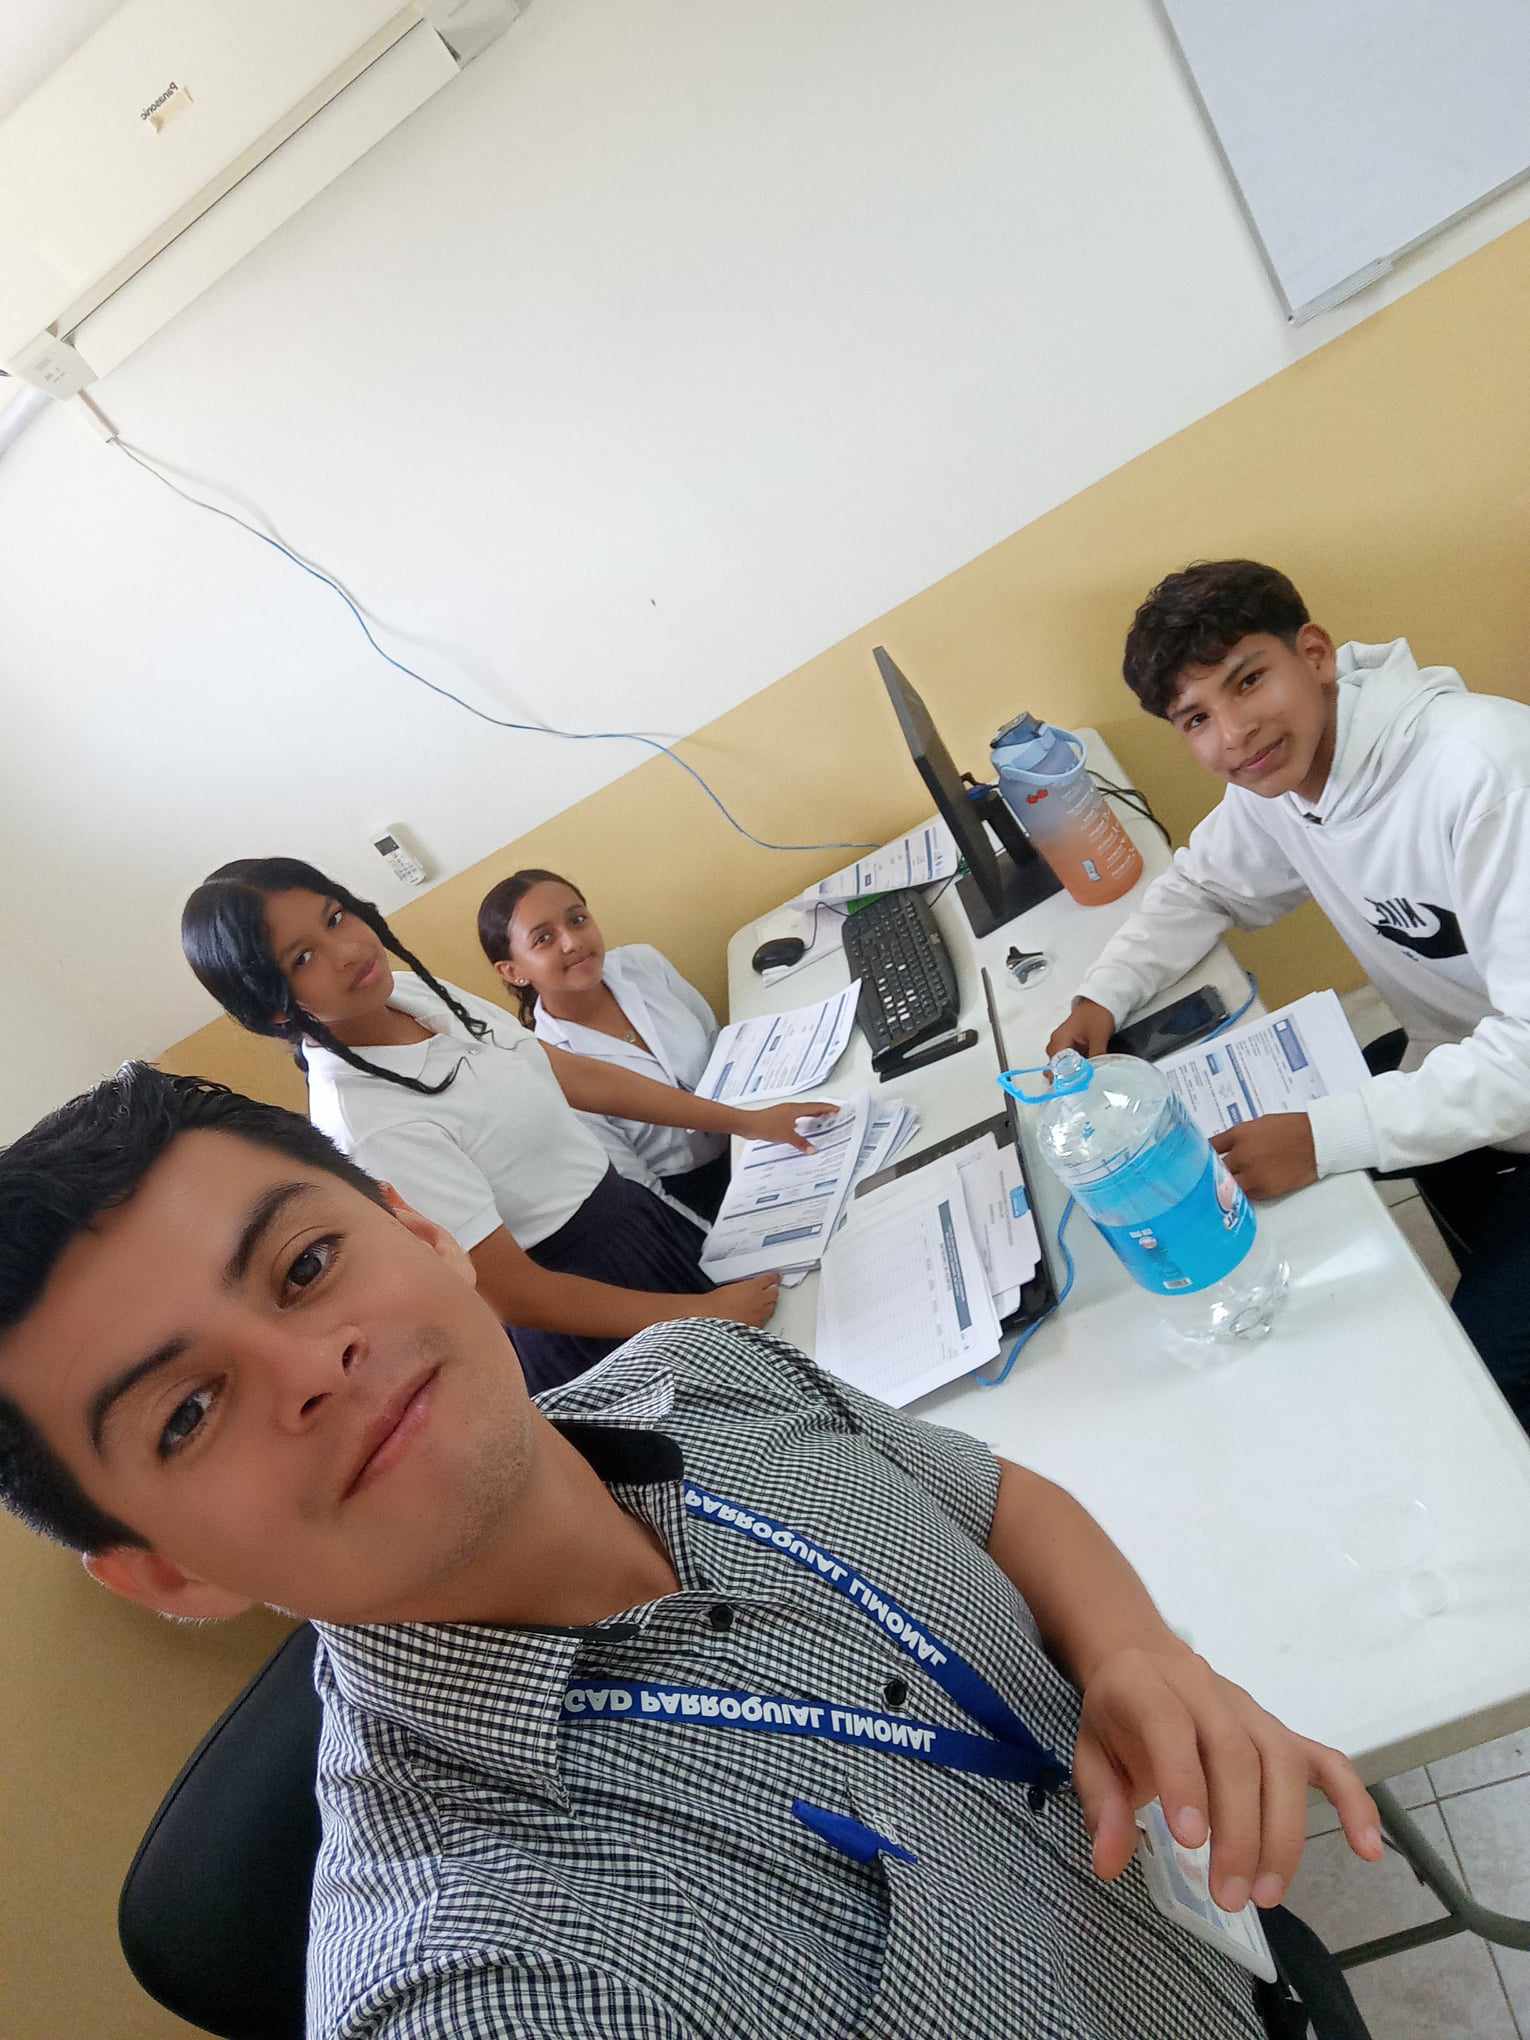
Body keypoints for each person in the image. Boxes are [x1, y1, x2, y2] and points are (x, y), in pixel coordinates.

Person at [0, 1064, 1380, 2039]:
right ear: (167, 1574)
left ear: (419, 1229)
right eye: (188, 1413)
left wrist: (1127, 1649)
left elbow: (990, 1497)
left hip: (1239, 1961)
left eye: (305, 1267)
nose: (311, 1367)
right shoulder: (487, 1983)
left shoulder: (708, 1373)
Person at [1046, 559, 1530, 1425]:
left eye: (1248, 681)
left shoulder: (1485, 772)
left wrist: (1322, 1137)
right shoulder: (1285, 775)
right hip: (1475, 1073)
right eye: (1197, 718)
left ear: (1315, 654)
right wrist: (1102, 997)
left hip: (1514, 1076)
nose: (1234, 736)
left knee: (1473, 1398)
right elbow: (1204, 886)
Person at [181, 858, 835, 1395]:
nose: (349, 949)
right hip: (587, 1311)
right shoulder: (366, 1118)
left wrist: (747, 1121)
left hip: (633, 1222)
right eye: (303, 957)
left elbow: (569, 1073)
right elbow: (516, 1294)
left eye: (335, 917)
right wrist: (700, 1312)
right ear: (272, 1009)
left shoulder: (407, 991)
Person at [477, 868, 731, 1224]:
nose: (572, 942)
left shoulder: (643, 964)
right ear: (512, 971)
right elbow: (636, 1186)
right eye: (544, 939)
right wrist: (712, 1238)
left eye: (577, 920)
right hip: (693, 1197)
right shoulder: (554, 1067)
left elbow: (722, 1045)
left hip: (753, 1131)